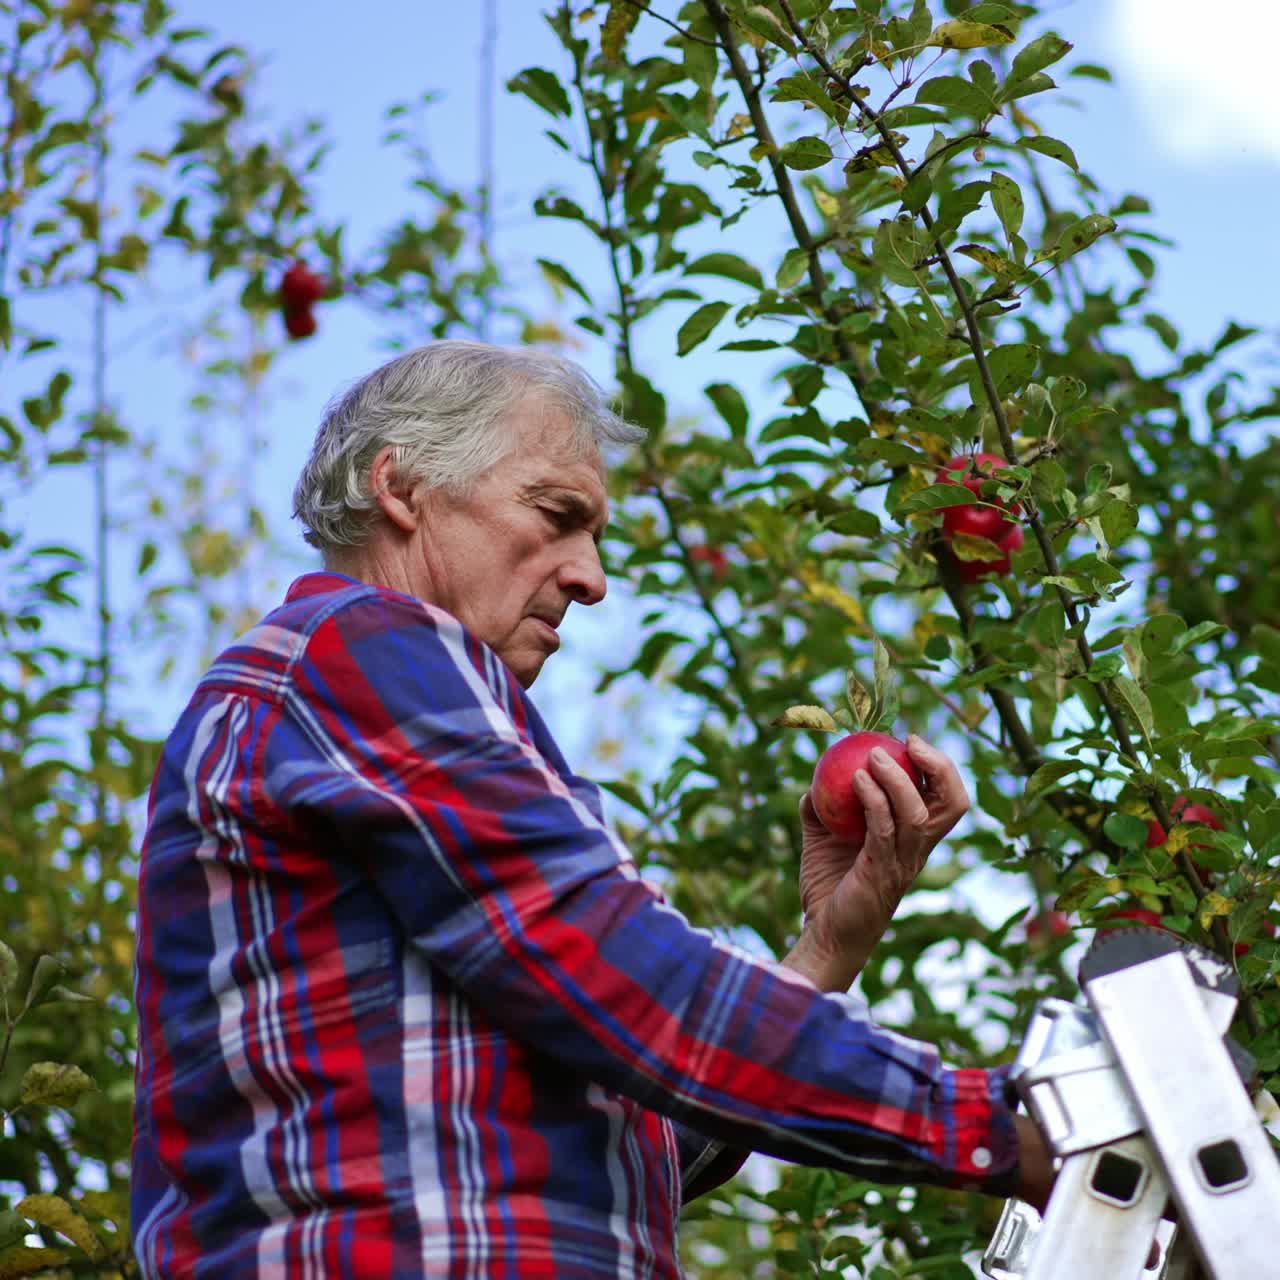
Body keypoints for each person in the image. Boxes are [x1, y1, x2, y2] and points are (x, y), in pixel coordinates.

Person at [131, 341, 1051, 1277]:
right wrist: (1007, 1134)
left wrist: (827, 950)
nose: (592, 577)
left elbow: (629, 1138)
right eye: (557, 514)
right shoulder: (363, 646)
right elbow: (605, 960)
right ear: (402, 488)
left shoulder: (357, 697)